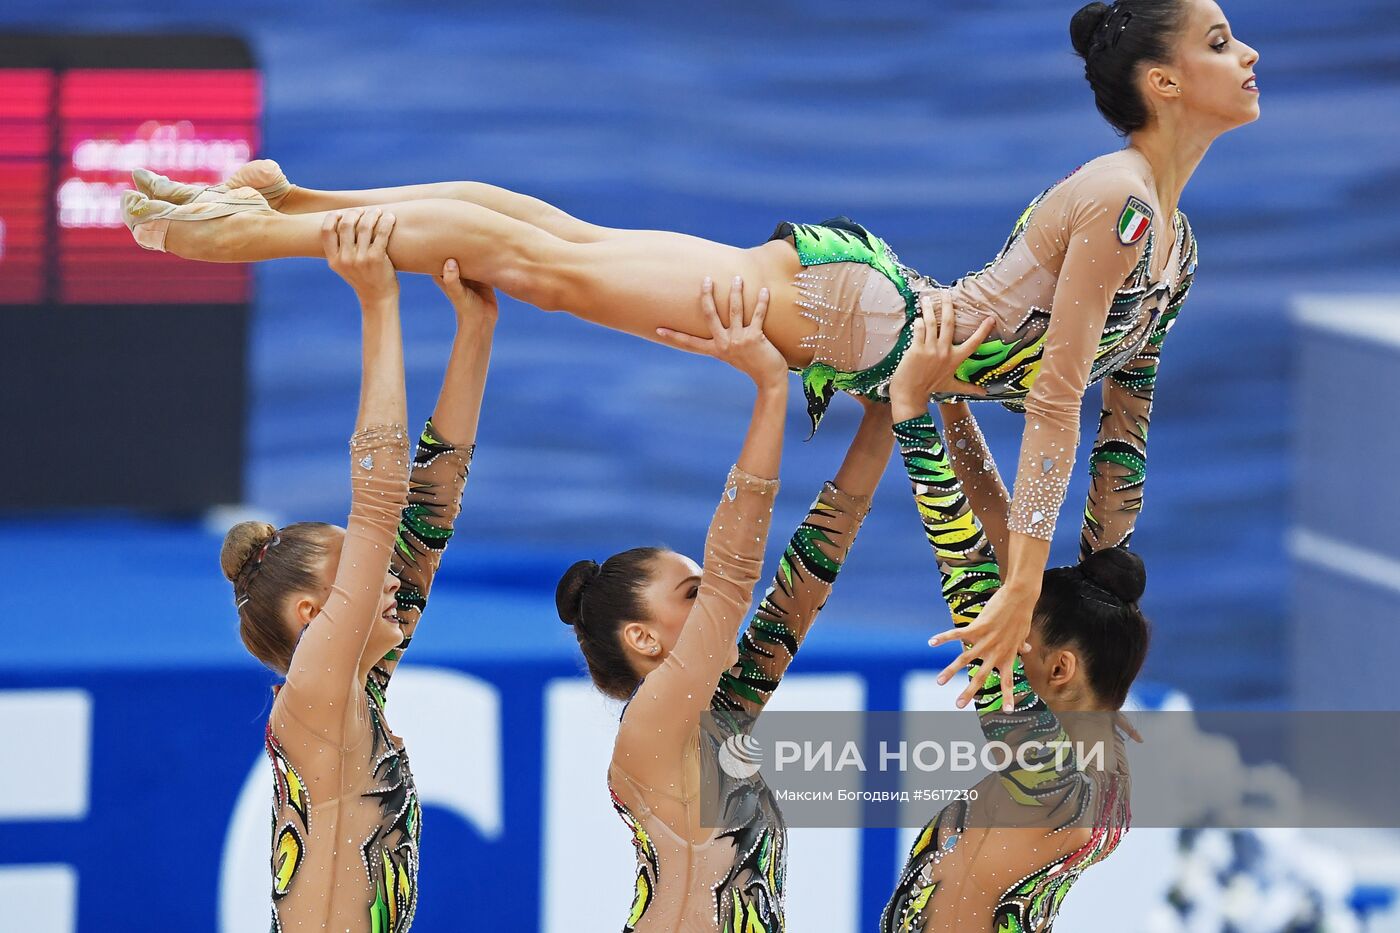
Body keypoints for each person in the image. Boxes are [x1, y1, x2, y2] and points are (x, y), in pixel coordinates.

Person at [129, 0, 1257, 708]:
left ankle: (294, 198)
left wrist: (1100, 570)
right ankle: (254, 230)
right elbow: (1054, 397)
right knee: (546, 262)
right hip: (851, 321)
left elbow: (1123, 413)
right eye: (1215, 41)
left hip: (868, 316)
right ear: (1159, 85)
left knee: (556, 242)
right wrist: (1017, 584)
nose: (1244, 53)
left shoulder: (1174, 242)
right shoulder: (1120, 203)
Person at [551, 279, 976, 931]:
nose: (717, 604)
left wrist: (882, 414)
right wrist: (771, 387)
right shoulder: (651, 726)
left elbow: (805, 580)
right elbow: (734, 577)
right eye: (689, 595)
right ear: (642, 638)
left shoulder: (718, 720)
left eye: (704, 590)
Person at [219, 207, 495, 933]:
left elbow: (428, 510)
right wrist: (378, 301)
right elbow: (379, 502)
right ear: (315, 614)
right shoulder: (315, 696)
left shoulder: (348, 697)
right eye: (366, 568)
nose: (394, 577)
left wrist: (476, 330)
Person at [877, 308, 1151, 931]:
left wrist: (911, 412)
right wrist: (953, 406)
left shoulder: (1051, 780)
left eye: (1013, 643)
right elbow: (1004, 547)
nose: (995, 646)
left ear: (1060, 666)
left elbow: (967, 573)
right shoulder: (1102, 752)